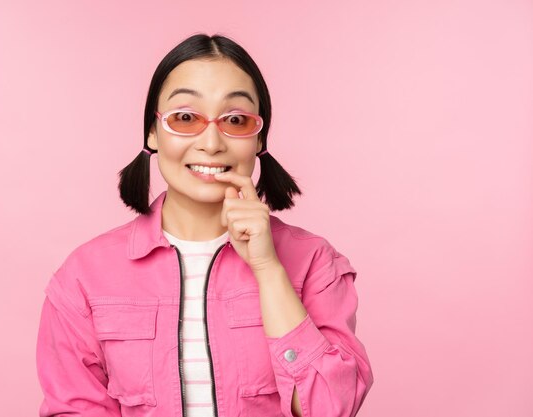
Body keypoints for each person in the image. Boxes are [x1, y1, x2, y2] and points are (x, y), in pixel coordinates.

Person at [36, 33, 374, 417]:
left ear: (258, 137)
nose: (211, 142)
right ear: (152, 131)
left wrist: (268, 269)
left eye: (235, 119)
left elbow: (332, 408)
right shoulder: (84, 276)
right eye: (185, 117)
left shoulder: (314, 262)